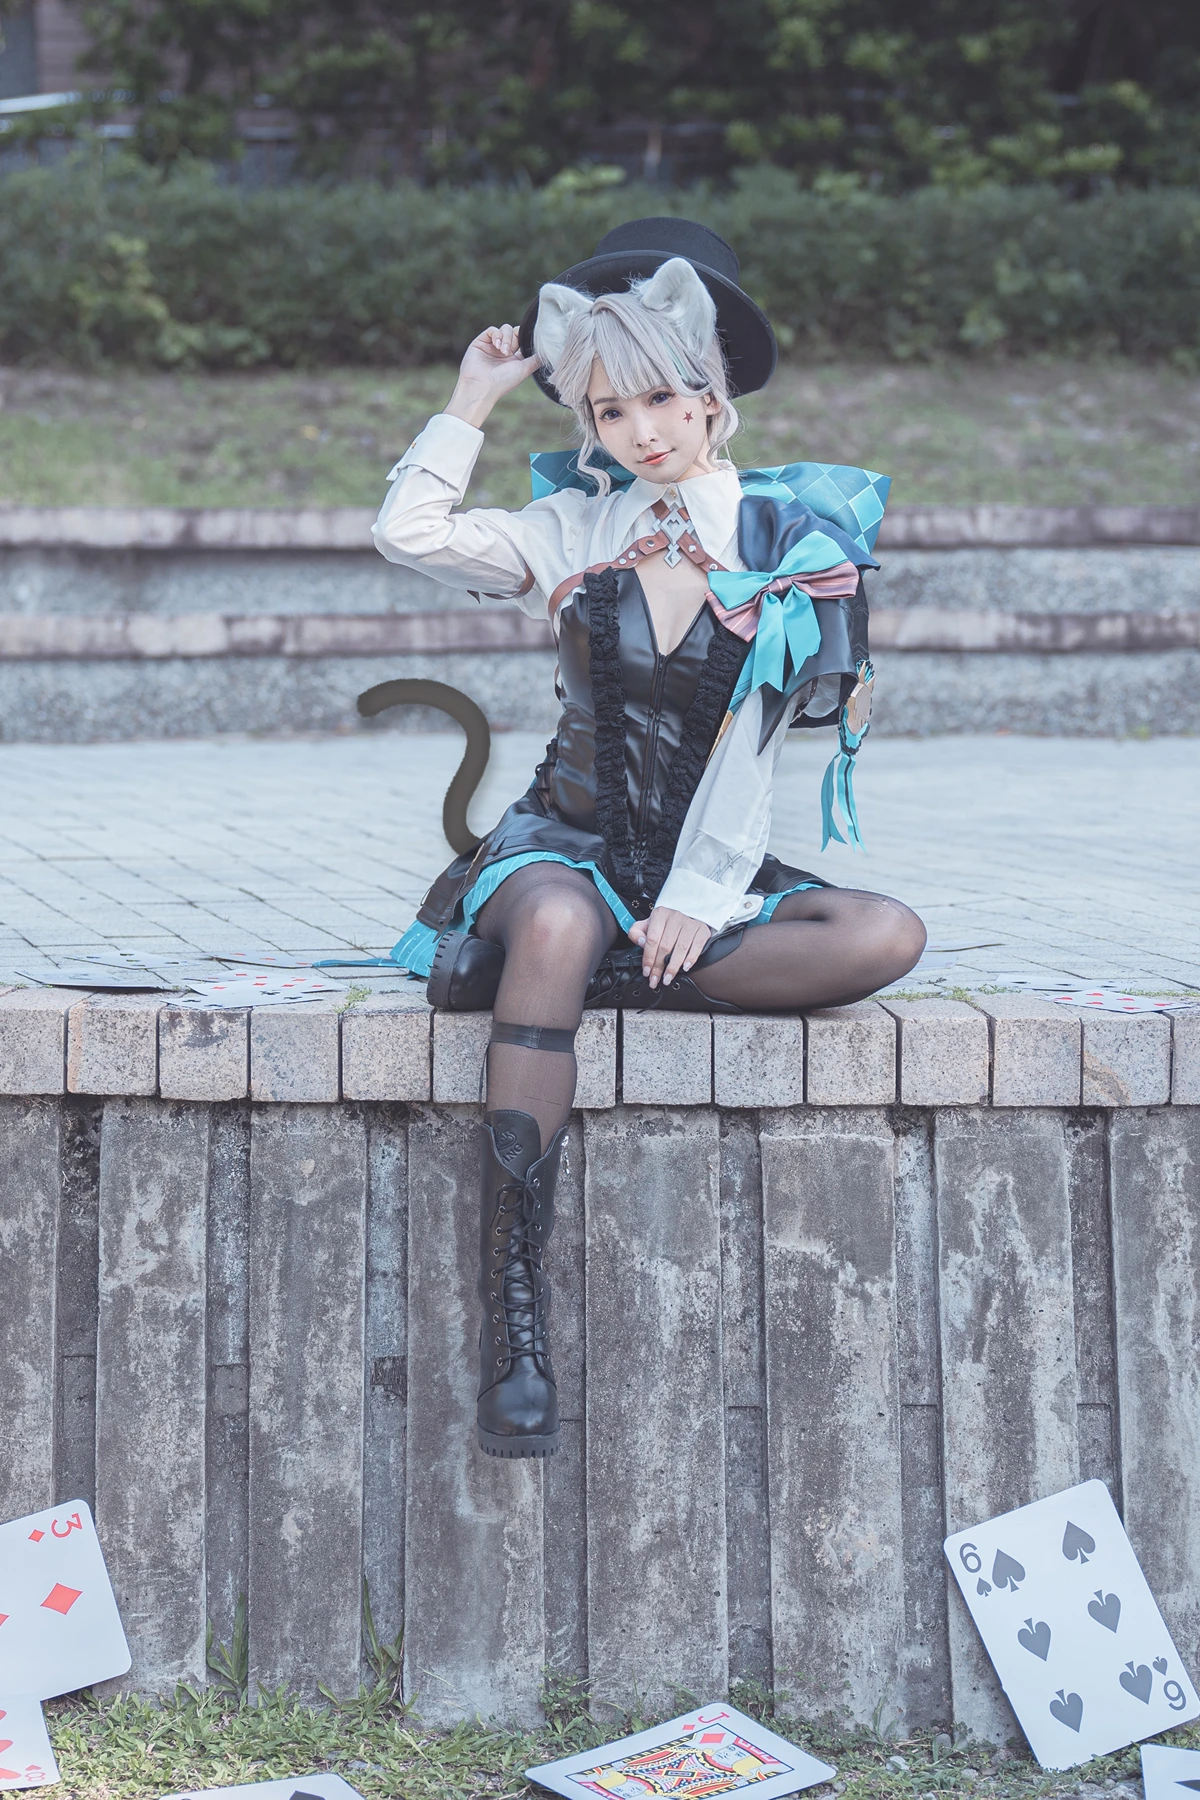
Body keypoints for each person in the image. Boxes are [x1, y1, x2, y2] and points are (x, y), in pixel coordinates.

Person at [372, 217, 926, 1460]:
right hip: (560, 847)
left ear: (715, 396)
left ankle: (553, 982)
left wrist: (701, 894)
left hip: (698, 868)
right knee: (557, 918)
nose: (645, 431)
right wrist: (469, 399)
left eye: (667, 398)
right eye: (612, 411)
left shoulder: (791, 543)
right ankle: (515, 1311)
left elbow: (755, 745)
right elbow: (409, 533)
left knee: (884, 934)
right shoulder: (572, 530)